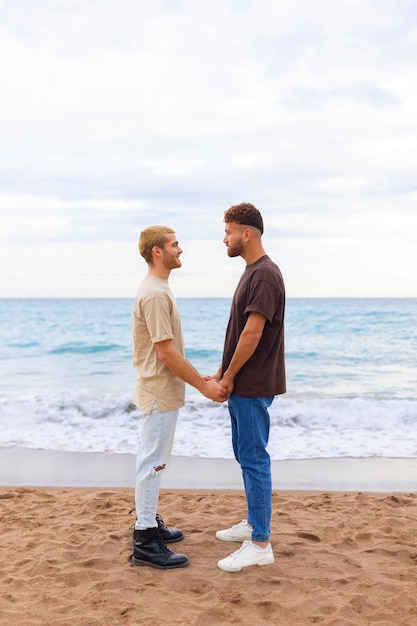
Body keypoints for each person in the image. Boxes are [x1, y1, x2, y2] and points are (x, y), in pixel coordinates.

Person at [131, 225, 226, 570]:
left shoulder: (159, 288)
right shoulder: (155, 293)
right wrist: (204, 388)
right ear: (157, 251)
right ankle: (144, 538)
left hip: (161, 389)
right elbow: (166, 354)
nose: (180, 249)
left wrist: (196, 375)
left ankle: (149, 520)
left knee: (155, 460)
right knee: (153, 462)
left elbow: (172, 352)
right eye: (175, 244)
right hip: (159, 391)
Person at [212, 203, 286, 572]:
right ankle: (253, 523)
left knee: (255, 459)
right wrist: (222, 372)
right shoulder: (252, 272)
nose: (224, 238)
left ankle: (260, 542)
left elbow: (253, 333)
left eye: (228, 231)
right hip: (242, 384)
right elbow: (239, 333)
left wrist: (228, 378)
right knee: (246, 456)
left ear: (247, 233)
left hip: (253, 386)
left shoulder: (266, 274)